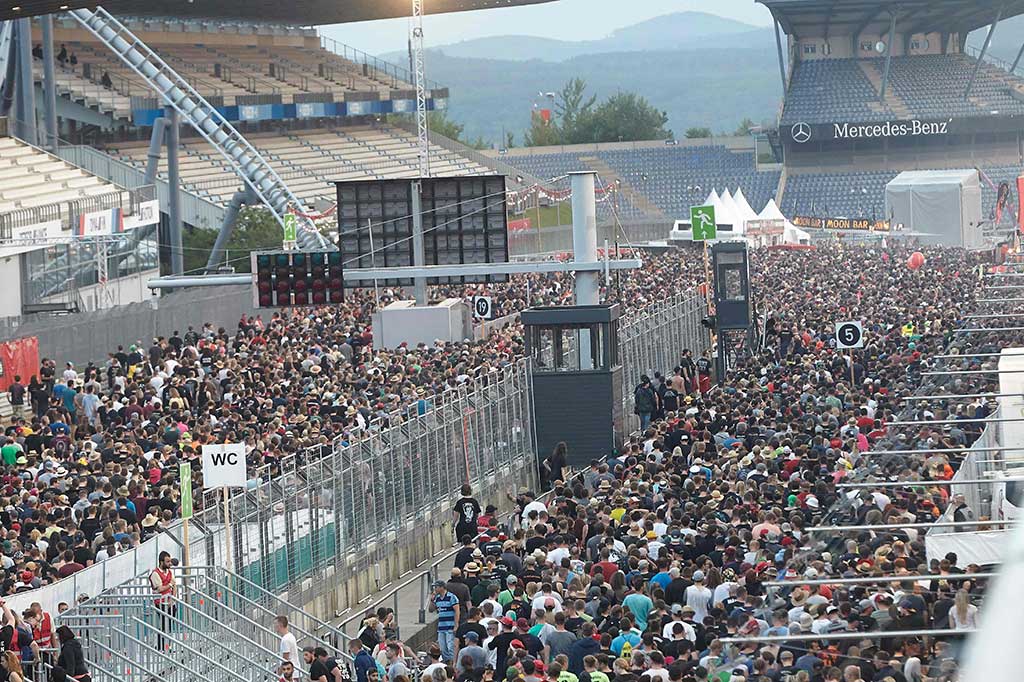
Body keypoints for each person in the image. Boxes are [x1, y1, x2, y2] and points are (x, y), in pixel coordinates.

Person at [149, 551, 176, 651]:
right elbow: (160, 588)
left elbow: (174, 584)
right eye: (167, 561)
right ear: (161, 562)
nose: (170, 563)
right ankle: (162, 646)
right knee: (164, 624)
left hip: (170, 602)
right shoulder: (155, 573)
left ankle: (168, 645)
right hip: (160, 602)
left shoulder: (169, 572)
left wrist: (172, 598)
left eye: (170, 561)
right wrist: (169, 585)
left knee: (170, 624)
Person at [429, 580, 460, 662]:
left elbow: (457, 610)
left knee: (451, 646)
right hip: (441, 627)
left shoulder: (451, 597)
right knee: (443, 648)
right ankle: (447, 662)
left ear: (442, 587)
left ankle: (453, 662)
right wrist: (432, 600)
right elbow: (431, 609)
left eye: (436, 587)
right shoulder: (437, 598)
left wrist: (456, 625)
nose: (435, 589)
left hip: (450, 625)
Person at [275, 616, 301, 680]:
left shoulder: (285, 640)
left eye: (276, 625)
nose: (274, 627)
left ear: (280, 625)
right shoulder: (290, 636)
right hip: (293, 671)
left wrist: (279, 672)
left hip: (289, 673)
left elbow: (285, 658)